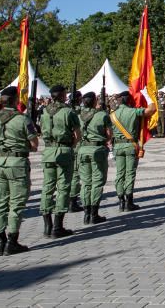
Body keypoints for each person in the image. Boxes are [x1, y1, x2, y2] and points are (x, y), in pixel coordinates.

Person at [0, 86, 39, 255]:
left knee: (0, 203)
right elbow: (34, 145)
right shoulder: (22, 119)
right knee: (16, 204)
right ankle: (12, 241)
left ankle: (0, 241)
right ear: (15, 100)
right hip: (17, 163)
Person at [39, 84, 80, 238]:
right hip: (64, 150)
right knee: (63, 187)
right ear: (63, 96)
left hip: (48, 151)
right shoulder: (68, 112)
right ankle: (57, 227)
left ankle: (47, 226)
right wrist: (70, 146)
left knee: (47, 187)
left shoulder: (44, 111)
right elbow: (77, 135)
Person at [111, 91, 157, 212]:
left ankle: (121, 201)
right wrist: (148, 96)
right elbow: (151, 110)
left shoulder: (112, 114)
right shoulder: (134, 112)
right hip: (130, 146)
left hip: (117, 147)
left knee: (120, 173)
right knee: (130, 173)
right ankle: (129, 202)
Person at [77, 92, 112, 225]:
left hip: (82, 149)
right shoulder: (102, 115)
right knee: (97, 181)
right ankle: (94, 213)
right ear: (94, 101)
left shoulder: (78, 115)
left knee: (86, 182)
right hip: (97, 149)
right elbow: (109, 134)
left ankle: (86, 213)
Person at [68, 90, 84, 213]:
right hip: (77, 146)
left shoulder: (64, 111)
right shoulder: (80, 113)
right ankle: (72, 200)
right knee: (75, 174)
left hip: (63, 147)